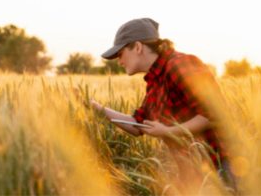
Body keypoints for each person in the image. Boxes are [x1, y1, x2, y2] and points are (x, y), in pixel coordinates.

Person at [91, 18, 236, 192]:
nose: (119, 61)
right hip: (197, 173)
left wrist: (168, 132)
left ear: (137, 47)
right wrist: (96, 108)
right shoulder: (155, 80)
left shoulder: (180, 64)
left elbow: (213, 114)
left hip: (222, 168)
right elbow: (138, 125)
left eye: (120, 54)